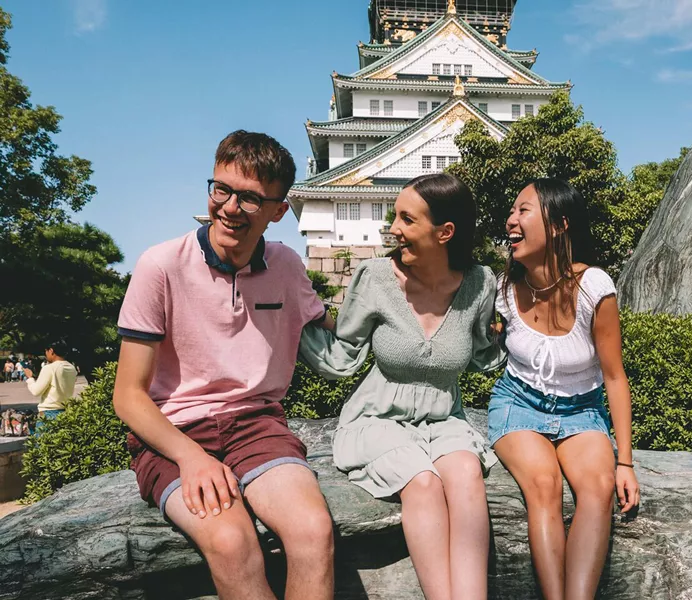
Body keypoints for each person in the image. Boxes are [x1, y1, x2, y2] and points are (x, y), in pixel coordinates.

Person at [112, 131, 335, 600]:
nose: (230, 207)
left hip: (257, 424)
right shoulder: (161, 265)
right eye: (221, 189)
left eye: (250, 198)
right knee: (231, 541)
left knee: (313, 530)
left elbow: (334, 329)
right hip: (174, 430)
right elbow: (128, 395)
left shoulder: (286, 265)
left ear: (278, 210)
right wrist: (190, 457)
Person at [300, 173, 504, 600]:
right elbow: (344, 354)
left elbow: (485, 353)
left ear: (445, 232)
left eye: (407, 219)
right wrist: (290, 322)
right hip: (377, 418)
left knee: (466, 474)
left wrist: (520, 329)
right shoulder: (376, 276)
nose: (393, 228)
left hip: (445, 419)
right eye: (395, 216)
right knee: (423, 482)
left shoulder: (479, 283)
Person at [488, 179, 641, 600]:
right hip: (517, 404)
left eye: (523, 210)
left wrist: (624, 462)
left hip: (582, 411)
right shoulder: (504, 289)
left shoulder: (594, 287)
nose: (511, 220)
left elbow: (615, 376)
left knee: (599, 487)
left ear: (559, 224)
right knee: (544, 483)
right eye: (512, 211)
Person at [25, 342, 77, 432]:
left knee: (44, 440)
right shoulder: (71, 367)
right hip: (66, 412)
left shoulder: (49, 368)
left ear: (51, 351)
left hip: (49, 413)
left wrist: (30, 378)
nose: (46, 355)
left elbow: (36, 391)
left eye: (46, 352)